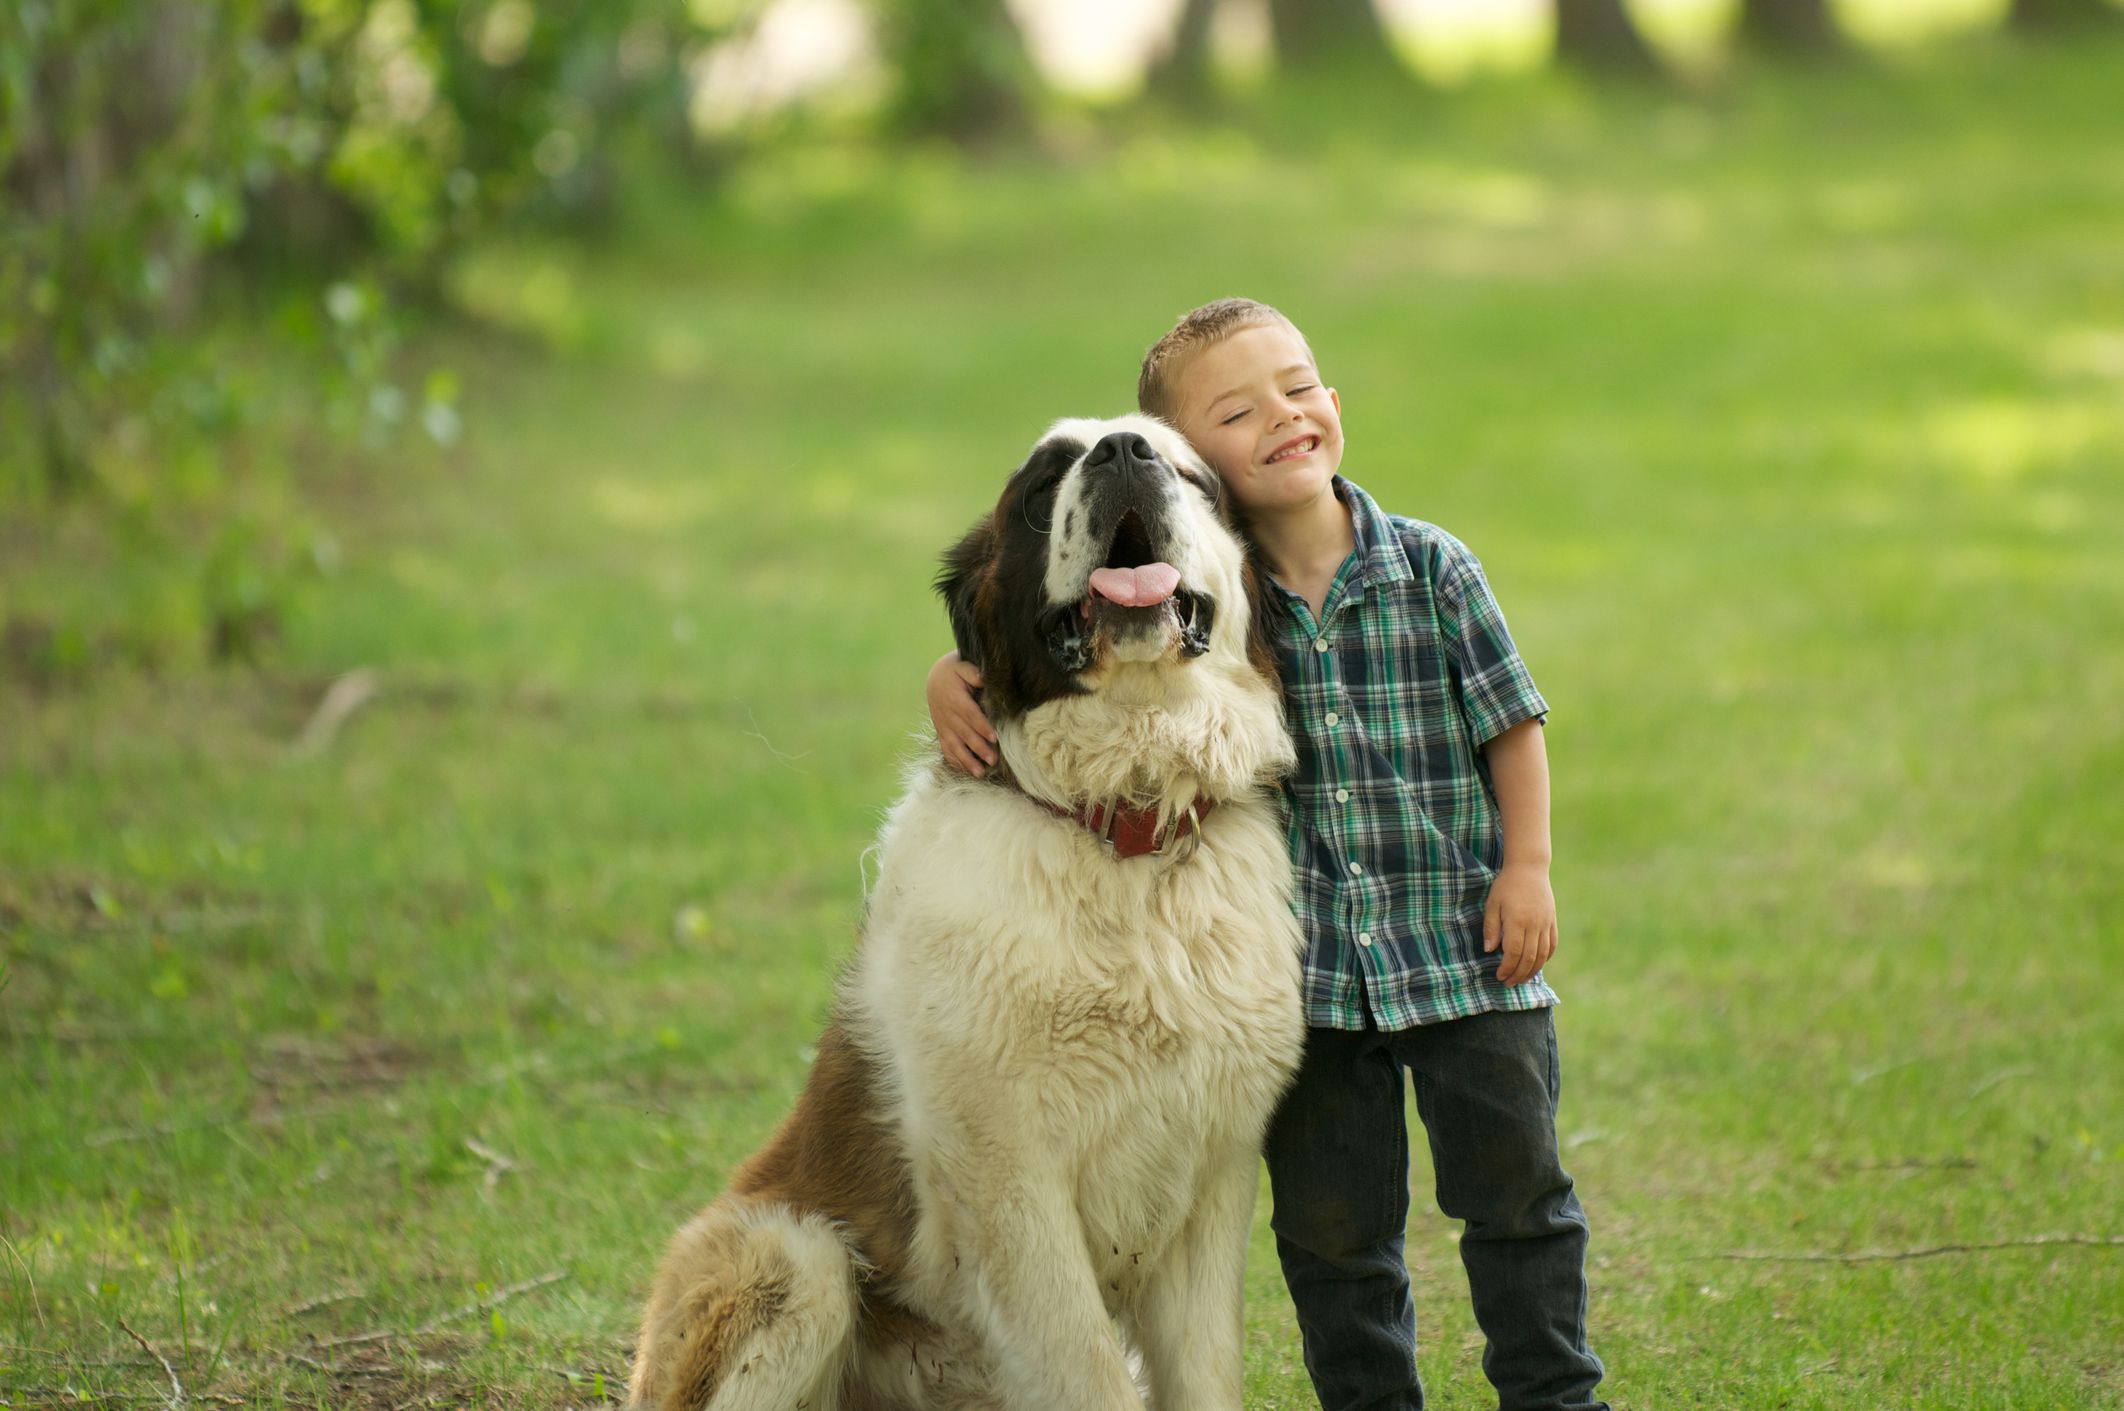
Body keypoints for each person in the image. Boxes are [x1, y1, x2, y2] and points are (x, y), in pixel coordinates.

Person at [926, 298, 1610, 1411]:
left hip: (1466, 954)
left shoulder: (1433, 569)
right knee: (1335, 1238)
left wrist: (1527, 867)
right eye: (1239, 414)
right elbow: (1068, 614)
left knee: (1519, 1197)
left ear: (1334, 405)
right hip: (1326, 986)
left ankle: (1555, 1395)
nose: (1285, 418)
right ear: (1208, 477)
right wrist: (944, 672)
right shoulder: (1226, 595)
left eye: (1299, 389)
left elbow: (1513, 719)